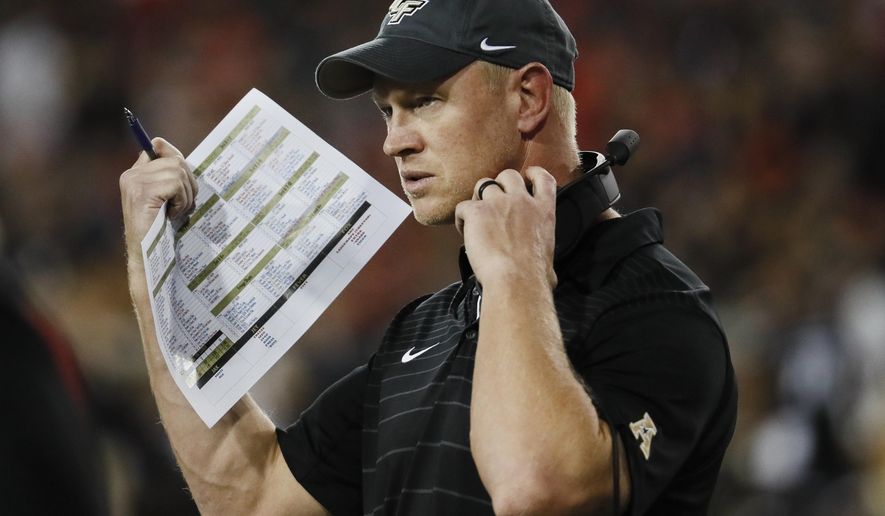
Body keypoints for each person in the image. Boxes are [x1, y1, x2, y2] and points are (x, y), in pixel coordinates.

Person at [119, 0, 737, 514]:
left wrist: (514, 273)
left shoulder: (655, 307)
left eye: (424, 102)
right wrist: (158, 272)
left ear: (528, 98)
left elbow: (534, 487)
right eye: (386, 110)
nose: (393, 140)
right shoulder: (426, 327)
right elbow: (251, 498)